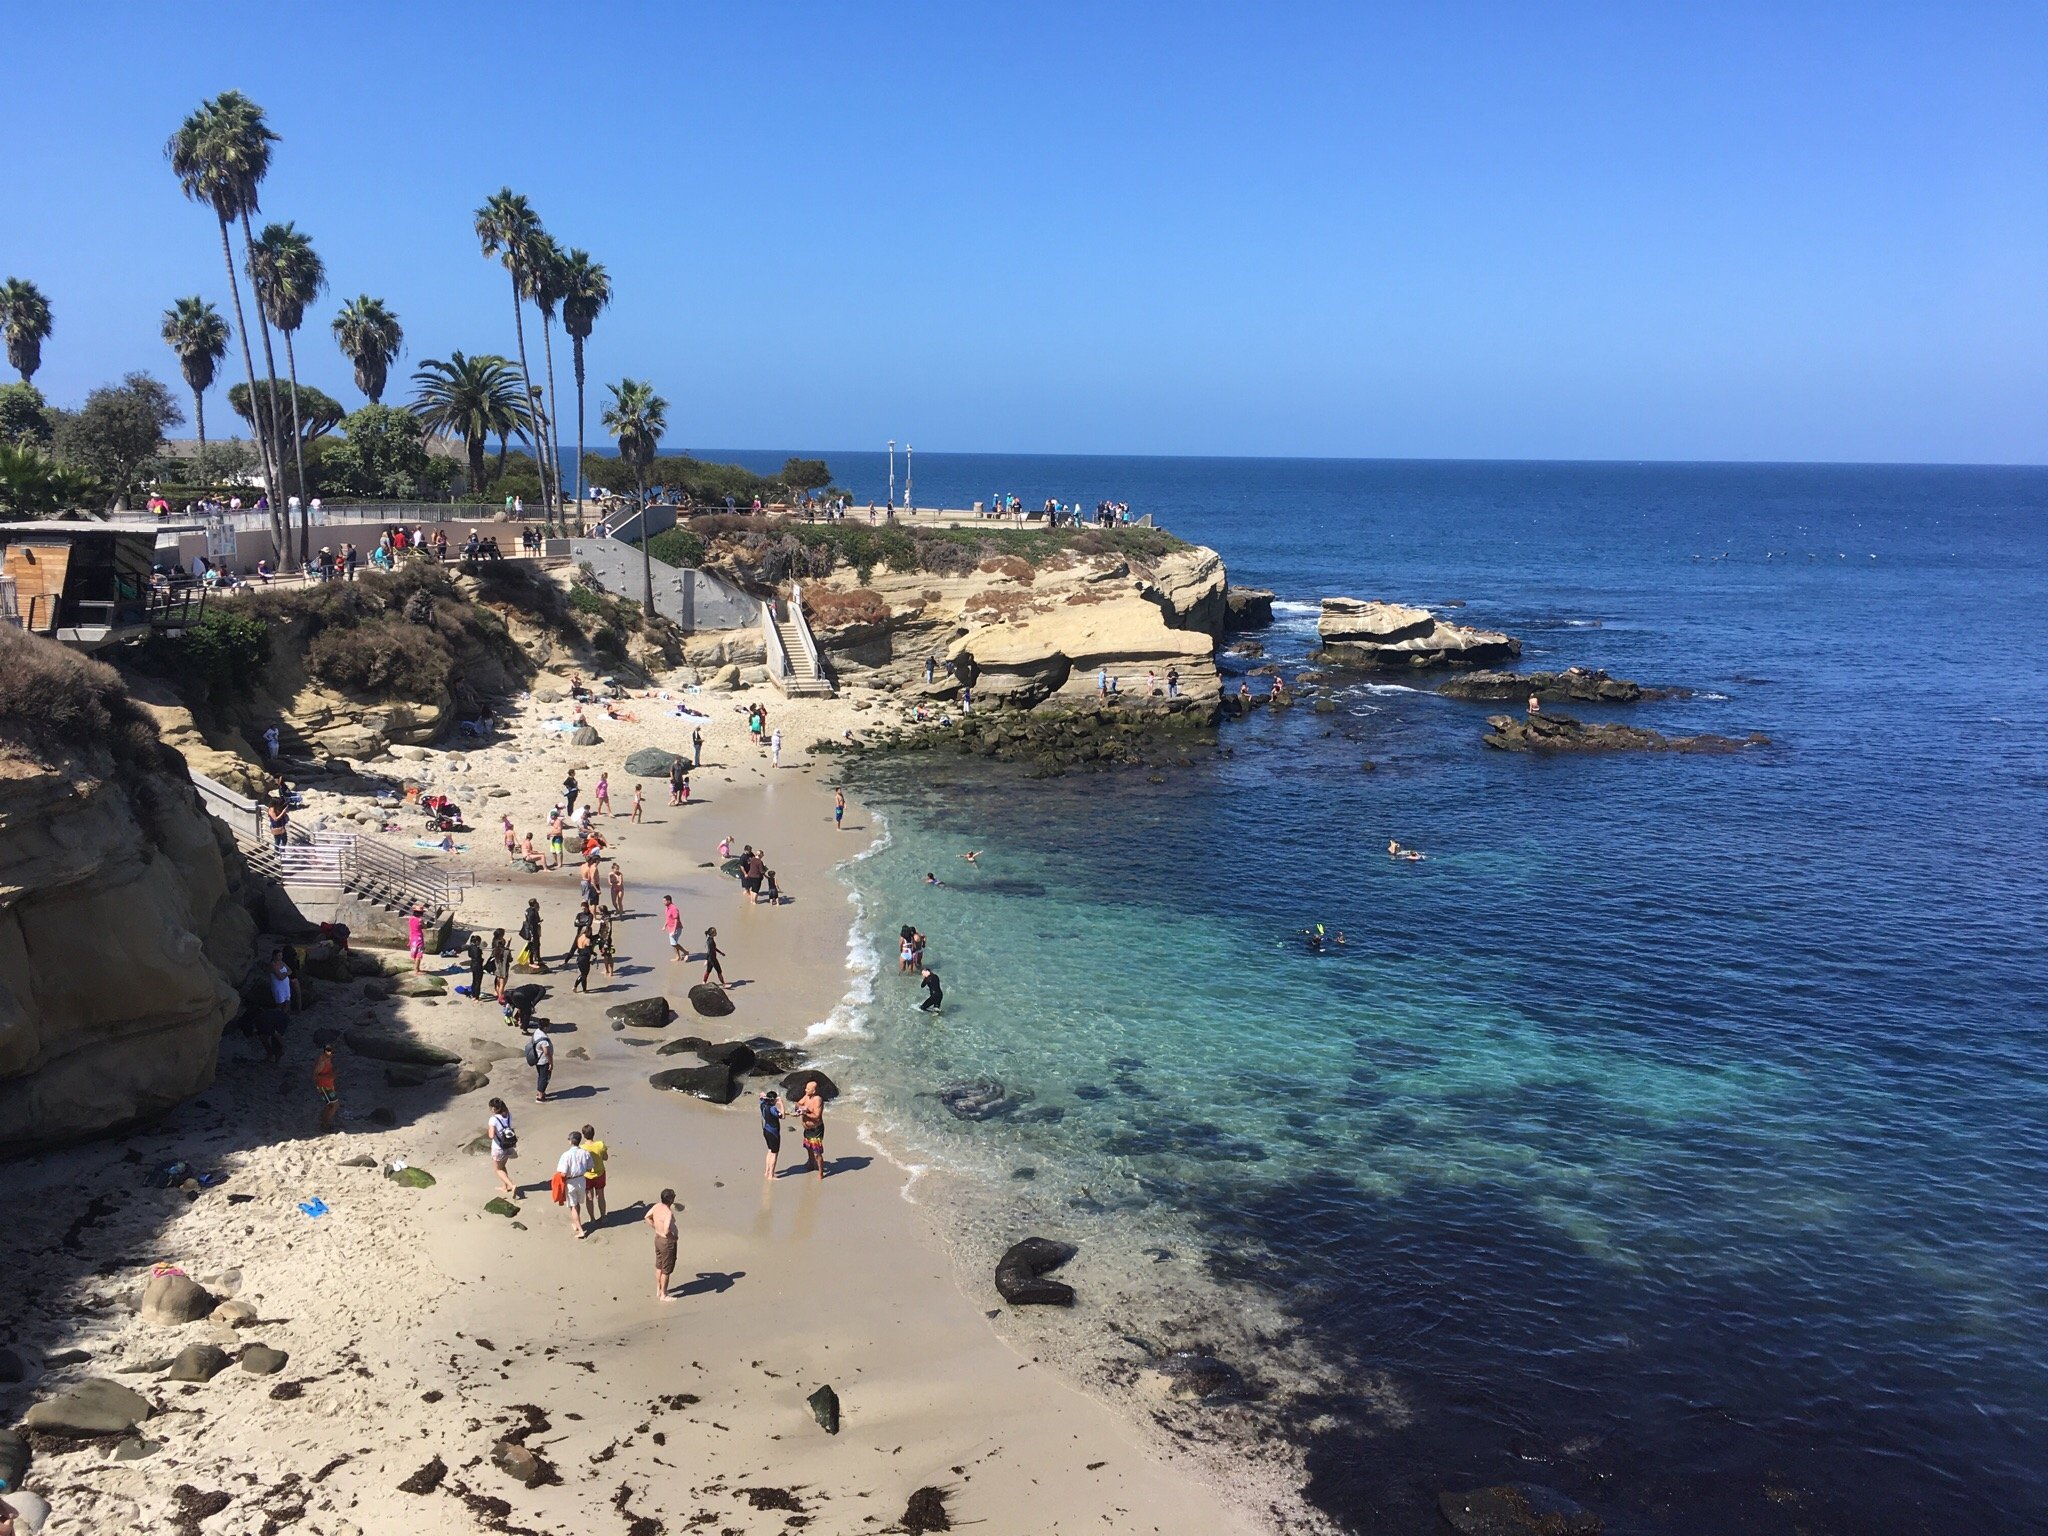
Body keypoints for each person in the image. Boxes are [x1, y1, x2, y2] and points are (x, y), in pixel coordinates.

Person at [555, 1130, 594, 1238]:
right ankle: (577, 1223)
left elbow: (562, 1173)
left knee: (573, 1205)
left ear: (570, 1141)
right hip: (582, 1181)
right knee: (577, 1204)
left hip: (571, 1182)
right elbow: (590, 1168)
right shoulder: (585, 1153)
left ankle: (580, 1230)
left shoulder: (566, 1155)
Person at [646, 1188, 680, 1300]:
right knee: (666, 1269)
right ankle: (663, 1294)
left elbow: (647, 1217)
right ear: (670, 1199)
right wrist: (673, 1237)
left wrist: (655, 1226)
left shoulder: (657, 1206)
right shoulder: (668, 1213)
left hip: (658, 1239)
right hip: (667, 1242)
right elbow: (666, 1230)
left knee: (659, 1265)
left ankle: (659, 1289)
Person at [796, 1079, 826, 1180]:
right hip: (807, 1129)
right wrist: (799, 1109)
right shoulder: (807, 1096)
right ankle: (811, 1163)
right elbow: (798, 1103)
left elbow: (817, 1116)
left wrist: (805, 1113)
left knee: (817, 1152)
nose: (805, 1090)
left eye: (808, 1089)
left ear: (813, 1091)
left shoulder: (817, 1099)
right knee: (808, 1147)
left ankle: (821, 1173)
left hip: (816, 1129)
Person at [580, 1122, 611, 1221]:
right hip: (600, 1173)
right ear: (593, 1134)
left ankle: (592, 1218)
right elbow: (605, 1158)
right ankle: (603, 1216)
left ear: (584, 1135)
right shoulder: (600, 1144)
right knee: (600, 1195)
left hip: (587, 1175)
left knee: (589, 1197)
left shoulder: (581, 1148)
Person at [487, 1098, 518, 1197]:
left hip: (498, 1148)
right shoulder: (508, 1115)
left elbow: (491, 1135)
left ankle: (511, 1185)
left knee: (498, 1169)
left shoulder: (493, 1119)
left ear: (493, 1108)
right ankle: (505, 1187)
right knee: (502, 1166)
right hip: (508, 1145)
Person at [314, 1044, 340, 1133]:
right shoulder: (321, 1062)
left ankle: (325, 1123)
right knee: (334, 1105)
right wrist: (329, 1076)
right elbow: (315, 1076)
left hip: (329, 1085)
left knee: (330, 1105)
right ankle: (325, 1124)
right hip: (324, 1087)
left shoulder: (328, 1060)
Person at [759, 1089, 783, 1179]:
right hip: (773, 1133)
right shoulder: (773, 1109)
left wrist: (764, 1096)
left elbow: (761, 1095)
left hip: (766, 1130)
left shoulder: (763, 1105)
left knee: (770, 1151)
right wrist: (781, 1104)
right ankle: (771, 1175)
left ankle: (767, 1172)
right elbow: (782, 1116)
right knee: (774, 1153)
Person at [528, 1023, 554, 1101]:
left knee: (541, 1076)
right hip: (544, 1061)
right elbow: (546, 1052)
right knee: (544, 1078)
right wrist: (551, 1063)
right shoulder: (544, 1040)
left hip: (537, 1059)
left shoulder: (537, 1032)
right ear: (545, 1027)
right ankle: (540, 1097)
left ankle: (540, 1092)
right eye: (548, 1026)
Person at [489, 927, 511, 1003]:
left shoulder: (495, 947)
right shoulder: (505, 951)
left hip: (497, 965)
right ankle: (500, 997)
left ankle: (498, 992)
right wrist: (509, 943)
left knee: (498, 980)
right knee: (502, 983)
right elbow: (509, 958)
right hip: (503, 968)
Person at [570, 926, 594, 992]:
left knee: (582, 974)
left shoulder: (579, 937)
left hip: (579, 957)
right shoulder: (587, 940)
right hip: (585, 958)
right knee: (584, 974)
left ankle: (575, 987)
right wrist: (593, 954)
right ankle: (584, 989)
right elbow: (589, 950)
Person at [465, 932, 486, 1000]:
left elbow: (470, 955)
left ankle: (473, 994)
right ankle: (476, 996)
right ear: (477, 941)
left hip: (473, 964)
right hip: (478, 966)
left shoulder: (470, 947)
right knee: (478, 981)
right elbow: (478, 957)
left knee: (474, 980)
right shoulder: (477, 949)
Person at [407, 904, 427, 973]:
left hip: (412, 938)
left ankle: (416, 968)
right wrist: (423, 925)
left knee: (414, 953)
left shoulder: (410, 918)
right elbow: (424, 927)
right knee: (419, 954)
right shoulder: (420, 920)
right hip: (418, 938)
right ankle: (417, 970)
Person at [663, 895, 682, 961]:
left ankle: (685, 952)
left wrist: (674, 930)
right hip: (670, 927)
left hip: (676, 928)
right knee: (674, 943)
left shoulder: (673, 908)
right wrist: (665, 926)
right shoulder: (667, 908)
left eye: (664, 901)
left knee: (673, 944)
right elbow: (668, 918)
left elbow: (676, 920)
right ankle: (678, 956)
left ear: (669, 901)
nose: (663, 902)